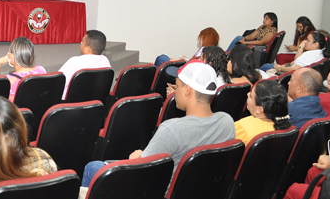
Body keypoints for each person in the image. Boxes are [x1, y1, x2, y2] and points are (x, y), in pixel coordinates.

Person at [80, 61, 235, 187]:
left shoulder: (172, 129)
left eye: (178, 86)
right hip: (196, 193)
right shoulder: (227, 122)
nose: (176, 90)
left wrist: (137, 158)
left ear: (188, 90)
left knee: (92, 168)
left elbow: (143, 170)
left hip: (158, 192)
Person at [234, 80, 292, 145]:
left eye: (250, 96)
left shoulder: (243, 128)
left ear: (259, 109)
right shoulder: (289, 128)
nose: (248, 94)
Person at [0, 37, 46, 102]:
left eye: (9, 52)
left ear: (13, 56)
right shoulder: (41, 70)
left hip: (17, 111)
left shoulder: (10, 80)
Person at [58, 29, 111, 99]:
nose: (81, 43)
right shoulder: (105, 61)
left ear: (88, 49)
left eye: (83, 41)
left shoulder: (75, 62)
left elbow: (58, 82)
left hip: (68, 104)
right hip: (95, 103)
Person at [264, 31, 330, 73]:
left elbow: (295, 69)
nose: (305, 42)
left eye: (308, 40)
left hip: (291, 75)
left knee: (265, 67)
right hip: (295, 73)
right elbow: (297, 62)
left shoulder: (311, 56)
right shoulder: (317, 53)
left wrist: (280, 68)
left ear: (315, 44)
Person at [154, 27, 220, 66]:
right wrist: (186, 60)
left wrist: (177, 61)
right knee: (163, 59)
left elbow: (195, 65)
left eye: (200, 38)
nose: (199, 40)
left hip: (187, 71)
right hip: (188, 68)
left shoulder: (204, 51)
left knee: (161, 58)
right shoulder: (214, 52)